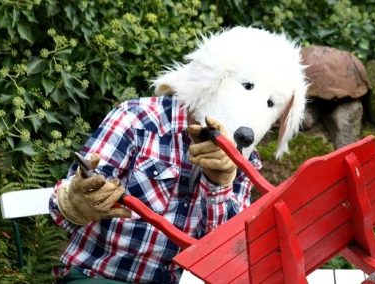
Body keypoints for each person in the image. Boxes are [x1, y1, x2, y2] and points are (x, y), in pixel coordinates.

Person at [48, 27, 307, 283]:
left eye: (272, 103)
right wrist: (76, 201)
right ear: (212, 75)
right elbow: (61, 211)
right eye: (247, 85)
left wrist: (219, 185)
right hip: (99, 275)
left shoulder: (244, 163)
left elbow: (227, 256)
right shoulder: (136, 120)